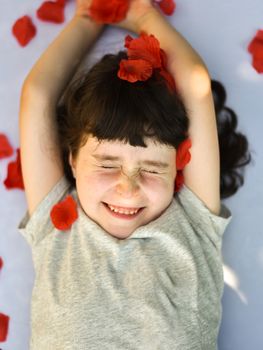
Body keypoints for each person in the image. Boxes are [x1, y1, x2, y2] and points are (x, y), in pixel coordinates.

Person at [18, 0, 251, 349]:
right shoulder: (56, 231)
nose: (128, 188)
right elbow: (37, 96)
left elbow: (193, 83)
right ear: (73, 161)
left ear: (178, 168)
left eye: (153, 168)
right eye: (108, 164)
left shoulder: (194, 225)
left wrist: (143, 14)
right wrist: (88, 15)